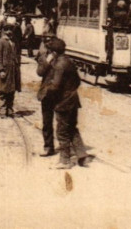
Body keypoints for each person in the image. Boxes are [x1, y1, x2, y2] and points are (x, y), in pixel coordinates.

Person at [44, 37, 90, 169]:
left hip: (63, 102)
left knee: (62, 131)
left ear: (54, 52)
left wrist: (47, 90)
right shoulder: (69, 61)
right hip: (73, 100)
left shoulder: (59, 65)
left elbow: (55, 86)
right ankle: (82, 156)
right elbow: (77, 81)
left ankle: (65, 160)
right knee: (72, 128)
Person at [36, 34, 57, 157]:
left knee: (64, 123)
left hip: (59, 94)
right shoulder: (43, 57)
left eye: (50, 41)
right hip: (47, 94)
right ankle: (48, 147)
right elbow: (39, 72)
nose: (48, 44)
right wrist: (46, 61)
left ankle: (69, 149)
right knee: (47, 122)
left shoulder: (61, 57)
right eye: (46, 42)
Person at [0, 24, 21, 118]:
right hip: (5, 70)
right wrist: (1, 69)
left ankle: (10, 110)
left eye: (11, 30)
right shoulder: (1, 42)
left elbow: (17, 55)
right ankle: (2, 111)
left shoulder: (14, 41)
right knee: (3, 91)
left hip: (14, 70)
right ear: (3, 31)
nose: (9, 32)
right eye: (7, 30)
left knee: (12, 90)